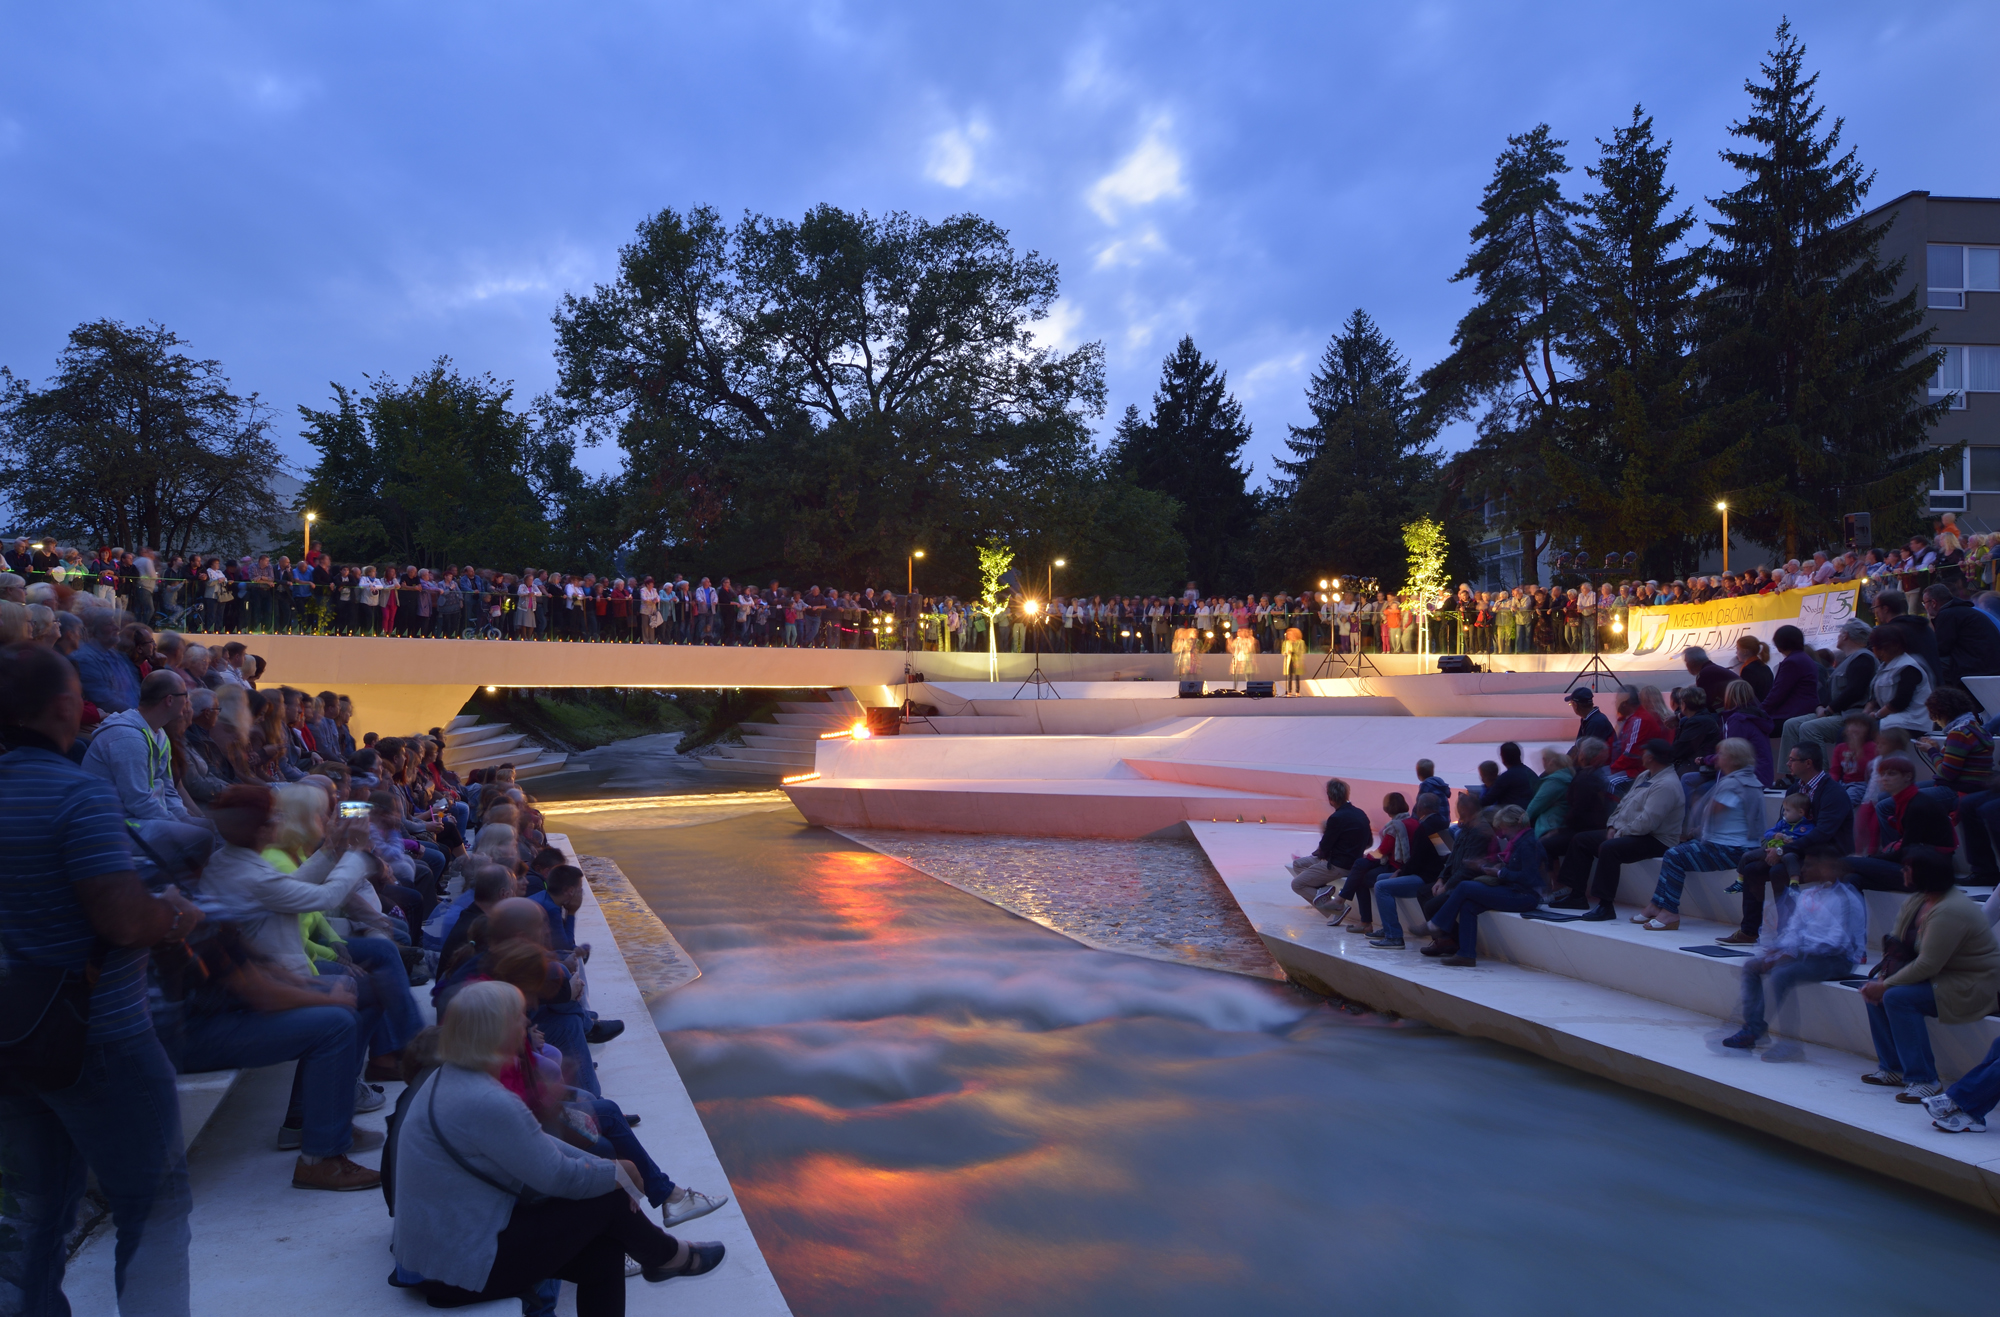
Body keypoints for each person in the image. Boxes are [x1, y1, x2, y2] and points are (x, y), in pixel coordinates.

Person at [0, 642, 206, 1317]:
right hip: (98, 1036)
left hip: (13, 1037)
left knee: (39, 1211)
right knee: (156, 1204)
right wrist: (171, 917)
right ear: (64, 706)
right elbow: (121, 917)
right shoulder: (77, 791)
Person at [390, 982, 724, 1313]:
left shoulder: (451, 1076)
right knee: (607, 1201)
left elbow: (537, 1143)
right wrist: (619, 1173)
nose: (526, 1023)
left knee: (603, 1249)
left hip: (441, 1251)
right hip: (455, 1268)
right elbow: (556, 1177)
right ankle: (668, 1256)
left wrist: (617, 1170)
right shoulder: (485, 1099)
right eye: (518, 1016)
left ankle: (666, 1257)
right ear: (497, 1029)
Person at [1859, 847, 2000, 1103]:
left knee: (1896, 997)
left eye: (1908, 868)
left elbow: (1928, 965)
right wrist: (1883, 979)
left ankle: (1925, 1080)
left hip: (1971, 984)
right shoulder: (1917, 900)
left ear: (1925, 874)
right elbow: (1897, 945)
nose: (1902, 872)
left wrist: (1887, 985)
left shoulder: (1950, 909)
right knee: (1875, 990)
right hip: (1939, 977)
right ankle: (1893, 1068)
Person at [1721, 843, 1868, 1058]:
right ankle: (1756, 1031)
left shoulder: (1846, 898)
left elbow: (1836, 943)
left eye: (1809, 865)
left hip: (1839, 959)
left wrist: (1791, 954)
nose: (1802, 870)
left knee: (1783, 974)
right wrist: (1779, 950)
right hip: (1810, 954)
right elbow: (1794, 930)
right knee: (1753, 966)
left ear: (1827, 867)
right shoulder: (1810, 896)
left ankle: (1787, 1043)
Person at [1721, 743, 1854, 945]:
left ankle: (1791, 933)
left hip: (1825, 852)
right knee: (1752, 869)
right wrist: (1774, 844)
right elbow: (1782, 825)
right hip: (1796, 849)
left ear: (1808, 763)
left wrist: (1783, 849)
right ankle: (1749, 931)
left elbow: (1823, 834)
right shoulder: (1795, 788)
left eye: (1792, 759)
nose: (1787, 763)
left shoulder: (1833, 792)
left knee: (1778, 872)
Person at [1639, 739, 1765, 931]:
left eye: (1721, 754)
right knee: (1677, 852)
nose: (1717, 758)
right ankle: (1656, 905)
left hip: (1732, 850)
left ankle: (1669, 912)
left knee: (1674, 856)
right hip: (1739, 846)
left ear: (1732, 758)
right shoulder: (1749, 780)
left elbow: (1713, 810)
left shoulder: (1734, 783)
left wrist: (1698, 803)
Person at [1419, 804, 1544, 967]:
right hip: (1515, 890)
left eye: (1504, 828)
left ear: (1515, 826)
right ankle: (1466, 954)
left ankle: (1437, 924)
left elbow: (1529, 878)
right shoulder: (1520, 841)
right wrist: (1486, 866)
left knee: (1465, 887)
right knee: (1468, 905)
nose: (1503, 833)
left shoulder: (1528, 844)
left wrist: (1499, 873)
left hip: (1524, 896)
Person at [1571, 741, 1683, 921]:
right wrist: (1612, 826)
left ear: (1651, 757)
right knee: (1581, 840)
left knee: (1610, 848)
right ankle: (1576, 895)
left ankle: (1605, 905)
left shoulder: (1666, 785)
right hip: (1629, 831)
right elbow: (1623, 804)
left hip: (1658, 839)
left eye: (1645, 752)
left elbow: (1648, 823)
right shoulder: (1646, 775)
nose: (1642, 756)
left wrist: (1619, 833)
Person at [1363, 793, 1451, 949]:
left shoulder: (1423, 827)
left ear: (1421, 807)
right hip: (1434, 874)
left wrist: (1401, 872)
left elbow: (1416, 858)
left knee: (1381, 886)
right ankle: (1388, 927)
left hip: (1425, 877)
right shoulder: (1438, 823)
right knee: (1381, 878)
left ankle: (1394, 936)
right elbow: (1444, 854)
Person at [1288, 778, 1372, 914]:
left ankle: (1337, 909)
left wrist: (1322, 855)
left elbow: (1325, 847)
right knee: (1298, 864)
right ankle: (1321, 892)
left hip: (1338, 865)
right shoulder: (1360, 813)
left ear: (1330, 798)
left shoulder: (1336, 818)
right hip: (1352, 860)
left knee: (1297, 884)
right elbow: (1369, 842)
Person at [1922, 581, 2000, 691]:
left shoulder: (1947, 614)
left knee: (1926, 663)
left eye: (1924, 603)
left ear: (1933, 603)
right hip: (1987, 661)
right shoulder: (1962, 610)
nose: (1924, 607)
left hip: (1976, 665)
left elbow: (1940, 649)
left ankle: (1940, 701)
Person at [1603, 689, 1665, 788]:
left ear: (1625, 703)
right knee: (1591, 775)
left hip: (1639, 770)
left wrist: (1612, 768)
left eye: (1617, 701)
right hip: (1626, 766)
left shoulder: (1640, 720)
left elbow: (1631, 755)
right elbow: (1614, 744)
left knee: (1605, 782)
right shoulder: (1628, 719)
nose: (1615, 704)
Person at [1525, 747, 1572, 839]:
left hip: (1549, 828)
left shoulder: (1555, 781)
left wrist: (1519, 823)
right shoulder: (1567, 775)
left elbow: (1535, 806)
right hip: (1558, 825)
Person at [1682, 645, 1735, 712]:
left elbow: (1703, 703)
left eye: (1686, 662)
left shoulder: (1705, 674)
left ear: (1692, 662)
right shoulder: (1712, 669)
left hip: (1733, 713)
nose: (1686, 665)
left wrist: (1679, 717)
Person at [1487, 741, 1538, 808]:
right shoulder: (1530, 773)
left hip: (1512, 816)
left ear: (1503, 758)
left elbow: (1487, 801)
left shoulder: (1506, 777)